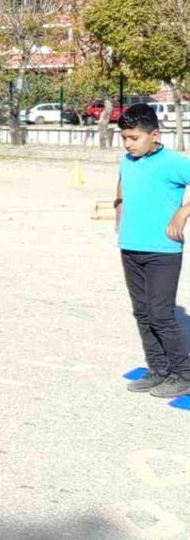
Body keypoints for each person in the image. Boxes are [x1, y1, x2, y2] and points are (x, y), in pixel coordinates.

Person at [116, 104, 190, 398]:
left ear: (155, 135)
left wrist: (183, 212)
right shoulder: (126, 160)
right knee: (142, 312)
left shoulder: (174, 162)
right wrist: (118, 204)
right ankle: (159, 369)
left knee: (160, 313)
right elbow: (122, 181)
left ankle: (183, 373)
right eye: (124, 138)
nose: (128, 144)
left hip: (163, 251)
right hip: (130, 247)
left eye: (134, 138)